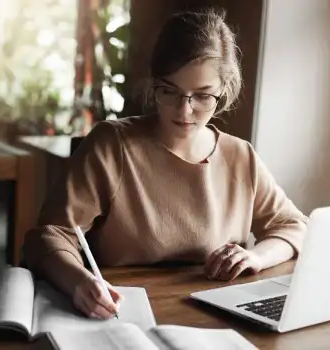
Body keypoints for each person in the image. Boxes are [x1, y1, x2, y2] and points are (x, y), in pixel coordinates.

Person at [22, 9, 308, 321]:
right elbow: (50, 235)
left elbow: (295, 227)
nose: (185, 111)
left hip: (213, 322)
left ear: (223, 90)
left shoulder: (240, 157)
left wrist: (256, 256)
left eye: (202, 96)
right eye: (169, 91)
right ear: (154, 82)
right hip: (121, 315)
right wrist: (79, 281)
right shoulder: (112, 145)